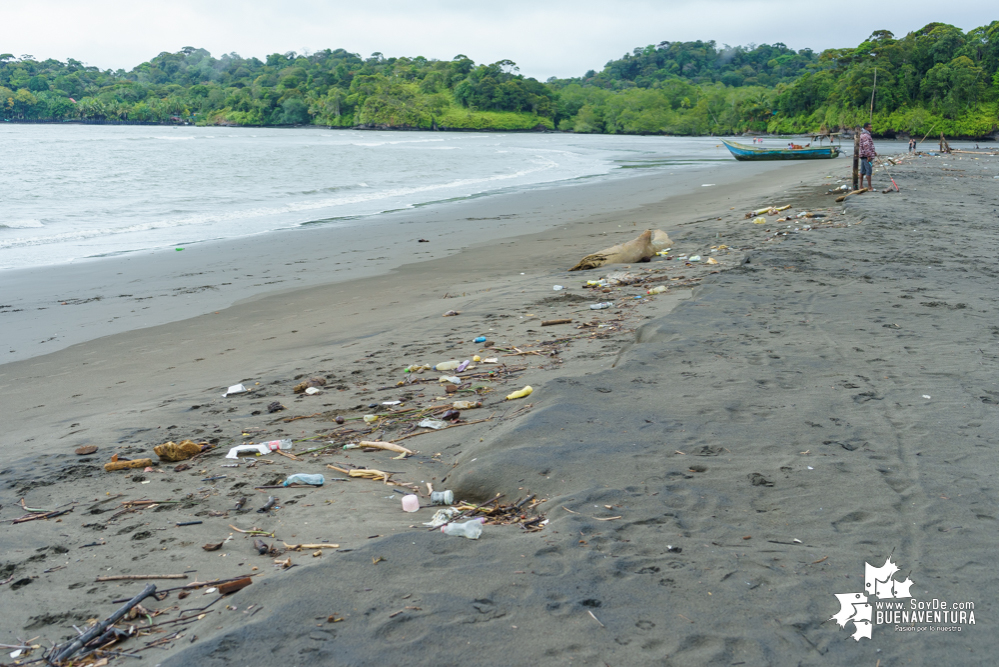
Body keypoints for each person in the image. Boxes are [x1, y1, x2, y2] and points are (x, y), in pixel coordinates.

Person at [858, 122, 876, 190]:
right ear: (866, 128)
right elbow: (866, 146)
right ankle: (869, 187)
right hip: (866, 156)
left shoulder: (863, 135)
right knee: (868, 171)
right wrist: (869, 155)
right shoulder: (866, 135)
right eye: (870, 127)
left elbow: (868, 146)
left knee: (862, 171)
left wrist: (873, 151)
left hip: (863, 155)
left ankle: (861, 186)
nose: (871, 128)